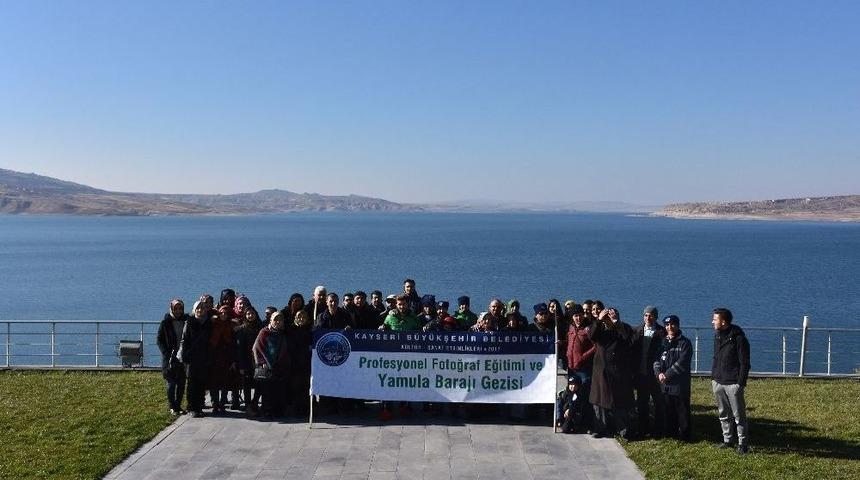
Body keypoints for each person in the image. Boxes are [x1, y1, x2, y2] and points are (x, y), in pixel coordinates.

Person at [588, 307, 635, 439]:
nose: (609, 319)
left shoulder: (623, 327)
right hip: (601, 370)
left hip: (618, 371)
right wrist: (598, 320)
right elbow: (591, 336)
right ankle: (600, 428)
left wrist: (616, 322)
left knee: (620, 401)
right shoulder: (600, 328)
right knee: (599, 401)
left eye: (612, 316)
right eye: (607, 317)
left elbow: (628, 339)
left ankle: (624, 430)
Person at [711, 307, 751, 454]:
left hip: (733, 383)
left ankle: (743, 443)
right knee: (723, 413)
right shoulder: (717, 335)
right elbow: (716, 357)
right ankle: (727, 440)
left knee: (739, 415)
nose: (712, 322)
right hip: (718, 381)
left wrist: (740, 383)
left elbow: (745, 363)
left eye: (715, 319)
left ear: (723, 321)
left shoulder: (738, 338)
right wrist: (714, 377)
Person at [654, 315, 693, 441]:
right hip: (664, 383)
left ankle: (685, 435)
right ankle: (670, 432)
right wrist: (658, 373)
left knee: (682, 410)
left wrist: (667, 374)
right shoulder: (662, 342)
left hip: (679, 384)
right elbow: (656, 359)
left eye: (672, 324)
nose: (669, 327)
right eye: (667, 325)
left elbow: (683, 362)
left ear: (678, 325)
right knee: (668, 408)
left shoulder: (685, 343)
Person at [633, 305, 667, 438]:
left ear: (656, 317)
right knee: (642, 402)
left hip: (655, 374)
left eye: (651, 315)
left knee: (658, 402)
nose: (648, 317)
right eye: (646, 315)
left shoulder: (661, 332)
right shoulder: (637, 330)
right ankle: (642, 429)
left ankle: (658, 429)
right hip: (641, 373)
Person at [253, 311, 291, 418]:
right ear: (271, 320)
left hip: (280, 366)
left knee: (279, 390)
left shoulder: (283, 333)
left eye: (280, 320)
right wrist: (261, 362)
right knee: (267, 391)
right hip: (267, 366)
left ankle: (279, 410)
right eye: (276, 320)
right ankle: (267, 411)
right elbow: (256, 348)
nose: (278, 322)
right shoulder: (264, 332)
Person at [157, 299, 189, 415]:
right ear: (171, 309)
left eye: (180, 308)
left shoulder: (186, 321)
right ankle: (172, 406)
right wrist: (166, 352)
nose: (178, 311)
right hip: (170, 358)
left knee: (181, 384)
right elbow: (159, 340)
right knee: (171, 384)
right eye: (176, 308)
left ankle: (178, 406)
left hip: (182, 356)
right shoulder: (165, 323)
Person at [566, 304, 595, 431]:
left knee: (584, 397)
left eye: (580, 315)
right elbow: (570, 344)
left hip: (583, 369)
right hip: (571, 368)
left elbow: (596, 346)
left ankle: (586, 424)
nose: (578, 318)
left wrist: (583, 357)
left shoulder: (588, 329)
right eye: (575, 315)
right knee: (572, 396)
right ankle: (572, 422)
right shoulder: (571, 327)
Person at [182, 300, 212, 417]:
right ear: (194, 310)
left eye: (202, 308)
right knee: (192, 384)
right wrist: (185, 355)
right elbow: (184, 340)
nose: (200, 310)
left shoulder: (208, 323)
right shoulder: (189, 322)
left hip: (203, 357)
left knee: (201, 384)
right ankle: (191, 407)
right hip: (191, 357)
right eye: (198, 308)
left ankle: (199, 407)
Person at [208, 305, 238, 414]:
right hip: (214, 357)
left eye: (226, 313)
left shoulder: (232, 326)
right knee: (214, 383)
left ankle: (222, 404)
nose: (224, 315)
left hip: (227, 358)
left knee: (225, 384)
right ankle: (215, 404)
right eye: (221, 313)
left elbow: (234, 344)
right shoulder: (213, 324)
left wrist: (233, 360)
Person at [235, 306, 264, 416]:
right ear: (245, 316)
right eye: (248, 314)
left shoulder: (261, 328)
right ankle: (248, 406)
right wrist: (241, 366)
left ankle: (255, 403)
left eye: (252, 313)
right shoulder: (241, 330)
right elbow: (240, 349)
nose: (250, 316)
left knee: (259, 384)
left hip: (258, 361)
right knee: (246, 385)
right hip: (246, 361)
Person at [287, 309, 313, 416]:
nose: (301, 319)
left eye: (304, 317)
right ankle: (296, 409)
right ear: (296, 318)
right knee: (295, 387)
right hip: (294, 363)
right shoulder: (291, 330)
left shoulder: (310, 330)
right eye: (299, 317)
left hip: (307, 362)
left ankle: (306, 409)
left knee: (306, 386)